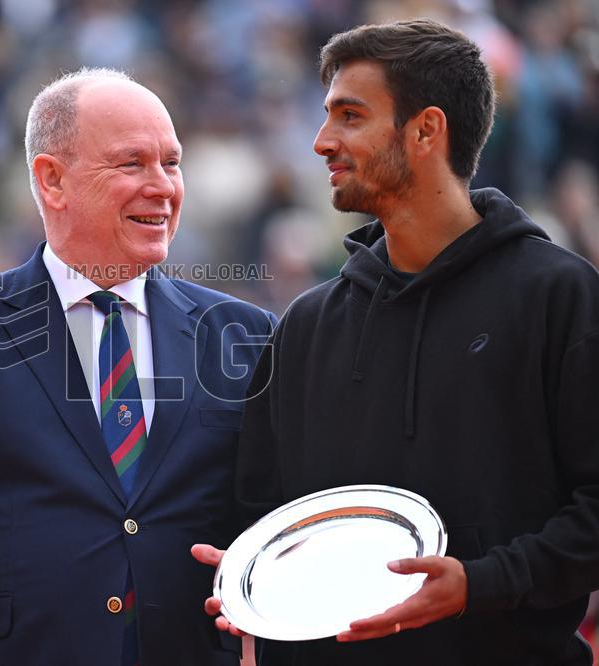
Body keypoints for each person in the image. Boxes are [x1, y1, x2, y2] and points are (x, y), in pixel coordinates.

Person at [194, 18, 599, 665]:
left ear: (426, 131)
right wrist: (248, 567)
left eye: (350, 117)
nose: (322, 142)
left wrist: (480, 584)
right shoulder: (303, 326)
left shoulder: (560, 295)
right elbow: (259, 510)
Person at [0, 68, 275, 666]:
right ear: (52, 179)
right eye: (132, 164)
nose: (163, 187)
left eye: (171, 164)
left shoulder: (244, 335)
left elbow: (272, 526)